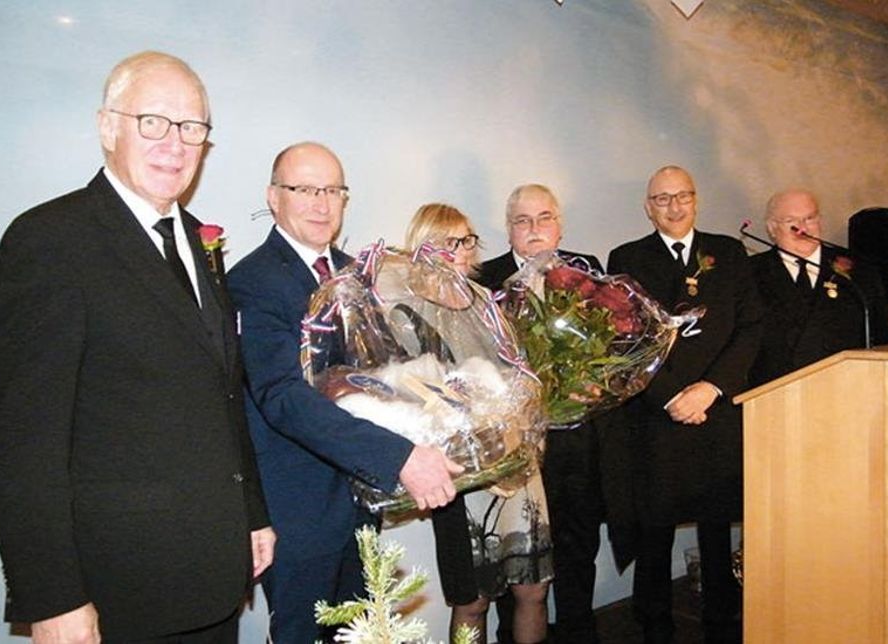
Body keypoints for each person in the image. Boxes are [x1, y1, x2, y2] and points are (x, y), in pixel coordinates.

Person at [0, 51, 274, 643]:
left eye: (193, 128)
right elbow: (20, 442)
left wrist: (252, 516)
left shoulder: (198, 240)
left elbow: (222, 394)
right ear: (108, 126)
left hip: (215, 576)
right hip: (118, 589)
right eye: (154, 122)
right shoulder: (51, 240)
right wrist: (53, 598)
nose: (176, 143)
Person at [226, 142, 462, 643]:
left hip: (361, 500)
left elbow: (379, 374)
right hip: (299, 509)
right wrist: (397, 455)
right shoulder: (252, 281)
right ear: (274, 197)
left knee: (363, 631)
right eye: (305, 189)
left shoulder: (357, 273)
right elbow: (281, 397)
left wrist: (442, 410)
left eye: (333, 190)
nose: (321, 203)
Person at [604, 165, 763, 643]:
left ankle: (722, 623)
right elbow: (623, 340)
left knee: (716, 528)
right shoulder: (627, 257)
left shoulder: (729, 253)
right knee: (655, 530)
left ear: (696, 200)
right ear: (648, 206)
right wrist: (672, 394)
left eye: (683, 196)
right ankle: (654, 626)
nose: (674, 206)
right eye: (662, 198)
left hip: (714, 410)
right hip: (658, 415)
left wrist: (711, 387)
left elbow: (751, 326)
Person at [404, 203, 554, 644]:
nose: (463, 251)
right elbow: (411, 394)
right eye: (451, 242)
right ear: (424, 249)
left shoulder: (489, 302)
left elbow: (520, 371)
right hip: (460, 474)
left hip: (514, 461)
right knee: (473, 602)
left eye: (468, 240)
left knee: (534, 589)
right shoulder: (407, 313)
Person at [477, 184, 605, 644]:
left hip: (574, 440)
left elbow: (610, 345)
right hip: (514, 446)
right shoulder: (483, 279)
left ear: (560, 224)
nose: (534, 229)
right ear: (508, 228)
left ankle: (578, 632)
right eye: (522, 220)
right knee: (517, 554)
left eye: (544, 218)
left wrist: (598, 379)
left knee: (577, 546)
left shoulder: (588, 271)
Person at [748, 189, 888, 386]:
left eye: (809, 218)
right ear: (772, 228)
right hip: (775, 396)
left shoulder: (858, 270)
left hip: (848, 391)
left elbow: (883, 340)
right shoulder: (749, 273)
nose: (802, 228)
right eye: (791, 220)